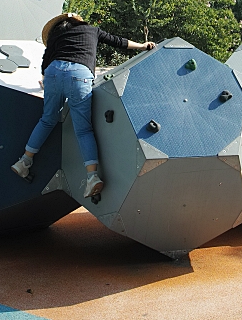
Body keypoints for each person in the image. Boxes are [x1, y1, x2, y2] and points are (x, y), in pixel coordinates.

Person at [11, 13, 154, 197]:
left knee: (47, 120)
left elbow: (46, 60)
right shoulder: (91, 30)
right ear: (79, 22)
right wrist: (143, 46)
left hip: (54, 73)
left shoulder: (56, 37)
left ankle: (24, 162)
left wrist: (46, 80)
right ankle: (92, 177)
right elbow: (117, 41)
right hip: (79, 74)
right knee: (84, 130)